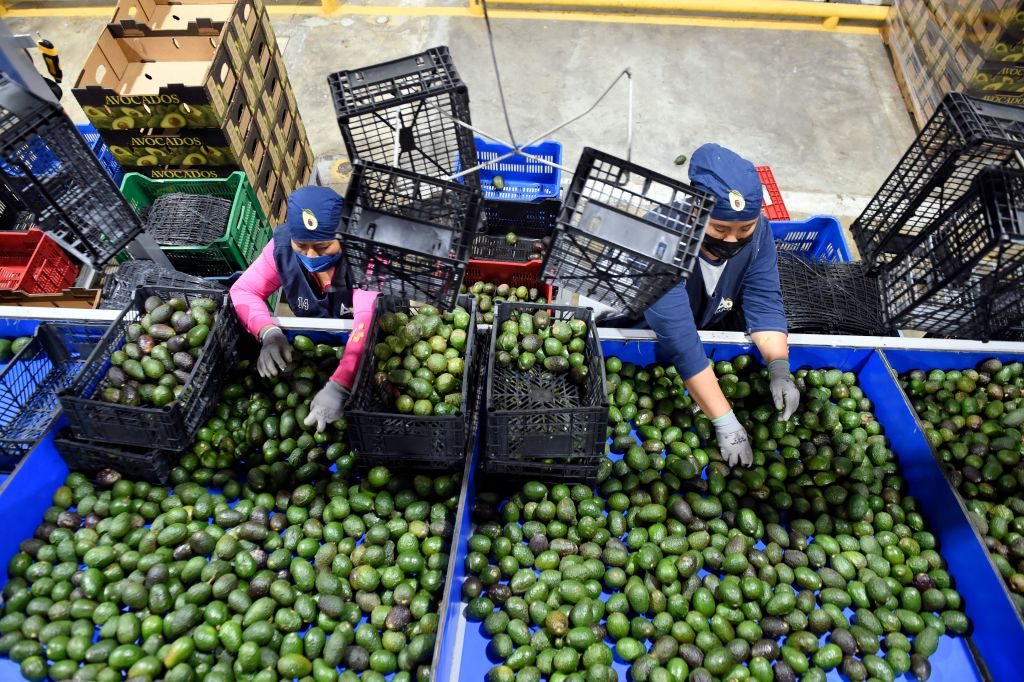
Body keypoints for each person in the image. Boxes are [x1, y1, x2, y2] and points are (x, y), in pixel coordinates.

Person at [645, 143, 800, 468]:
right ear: (695, 211)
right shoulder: (659, 237)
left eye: (744, 229)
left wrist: (779, 368)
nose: (732, 240)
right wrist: (726, 422)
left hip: (710, 326)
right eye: (719, 229)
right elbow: (680, 340)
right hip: (650, 335)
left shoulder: (758, 237)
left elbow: (764, 300)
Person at [230, 185, 376, 432]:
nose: (311, 255)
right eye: (301, 245)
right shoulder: (282, 249)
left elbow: (366, 320)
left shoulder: (365, 257)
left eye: (323, 247)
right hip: (313, 341)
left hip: (359, 343)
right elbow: (244, 291)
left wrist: (340, 385)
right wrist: (268, 332)